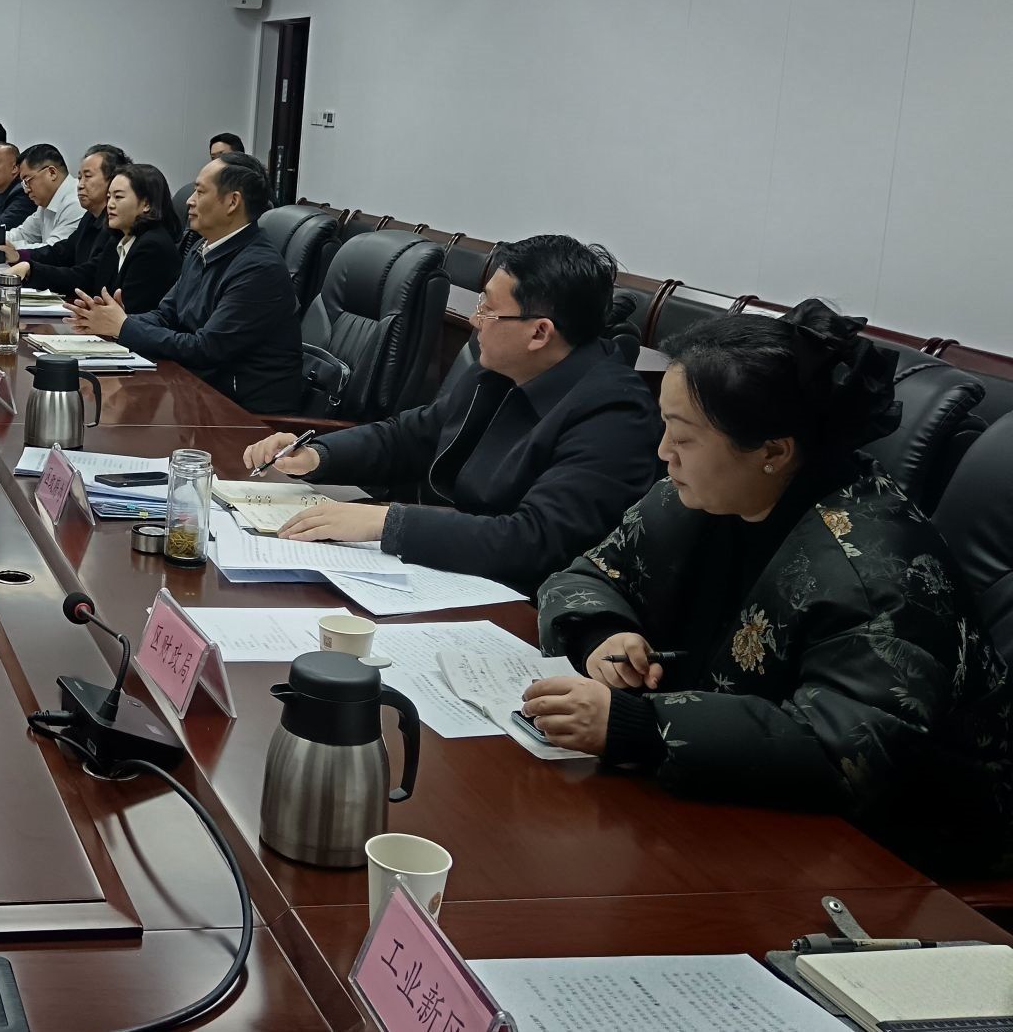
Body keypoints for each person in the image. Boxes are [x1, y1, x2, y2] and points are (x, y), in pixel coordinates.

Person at [524, 302, 1012, 877]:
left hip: (888, 859)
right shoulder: (697, 495)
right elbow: (587, 573)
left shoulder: (874, 572)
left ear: (774, 452)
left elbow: (848, 750)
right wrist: (605, 632)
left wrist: (638, 726)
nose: (663, 452)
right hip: (729, 807)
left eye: (683, 436)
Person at [240, 235, 662, 592]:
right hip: (450, 568)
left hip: (514, 600)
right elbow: (414, 434)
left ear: (539, 332)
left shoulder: (613, 414)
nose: (476, 321)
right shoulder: (501, 370)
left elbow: (535, 541)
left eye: (489, 310)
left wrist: (388, 523)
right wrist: (318, 455)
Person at [70, 152, 300, 414]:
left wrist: (124, 327)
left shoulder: (259, 269)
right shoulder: (202, 248)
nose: (190, 201)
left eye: (200, 192)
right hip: (197, 396)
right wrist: (112, 321)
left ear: (232, 202)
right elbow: (166, 315)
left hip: (243, 416)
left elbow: (206, 349)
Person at [6, 144, 128, 294]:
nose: (80, 185)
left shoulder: (117, 227)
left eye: (88, 177)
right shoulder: (90, 217)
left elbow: (88, 276)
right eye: (80, 177)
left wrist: (31, 269)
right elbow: (61, 252)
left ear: (113, 181)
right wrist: (20, 256)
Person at [90, 162, 183, 315]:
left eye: (118, 197)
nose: (110, 205)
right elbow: (93, 282)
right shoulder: (120, 239)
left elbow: (132, 309)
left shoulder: (153, 247)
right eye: (109, 197)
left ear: (146, 204)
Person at [1, 144, 84, 251]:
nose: (26, 190)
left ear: (52, 173)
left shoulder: (76, 202)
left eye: (27, 181)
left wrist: (11, 249)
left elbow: (54, 251)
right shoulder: (46, 203)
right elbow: (23, 234)